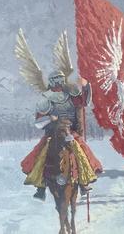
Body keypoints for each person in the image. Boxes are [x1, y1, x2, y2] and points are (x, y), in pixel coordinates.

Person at [21, 71, 103, 200]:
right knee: (42, 154)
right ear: (52, 81)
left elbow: (84, 101)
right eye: (57, 79)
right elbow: (38, 123)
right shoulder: (46, 98)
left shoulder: (71, 94)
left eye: (61, 79)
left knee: (80, 151)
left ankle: (83, 181)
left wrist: (86, 85)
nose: (60, 82)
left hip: (71, 130)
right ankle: (40, 186)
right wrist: (50, 118)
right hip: (53, 132)